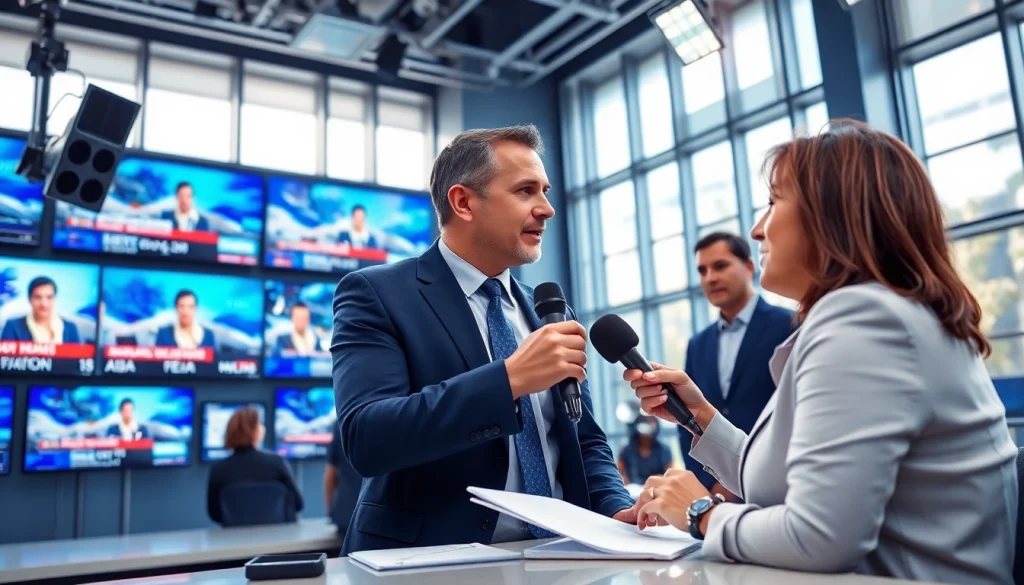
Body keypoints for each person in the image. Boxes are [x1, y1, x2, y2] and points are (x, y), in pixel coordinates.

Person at [626, 120, 1017, 584]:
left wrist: (699, 513)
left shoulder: (864, 321)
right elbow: (789, 480)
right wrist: (701, 418)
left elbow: (819, 536)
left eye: (772, 202)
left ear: (830, 214)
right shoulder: (887, 313)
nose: (757, 229)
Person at [332, 125, 635, 555]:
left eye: (545, 191)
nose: (547, 208)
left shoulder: (550, 312)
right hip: (428, 565)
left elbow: (583, 439)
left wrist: (617, 508)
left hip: (559, 560)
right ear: (463, 202)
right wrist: (508, 379)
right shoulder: (376, 294)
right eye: (526, 191)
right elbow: (368, 438)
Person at [681, 232, 793, 500]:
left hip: (777, 485)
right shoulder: (698, 344)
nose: (710, 277)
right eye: (702, 270)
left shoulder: (790, 325)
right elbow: (685, 418)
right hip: (710, 493)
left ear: (750, 266)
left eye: (720, 266)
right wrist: (707, 485)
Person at [206, 407, 303, 525]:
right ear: (255, 431)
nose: (263, 428)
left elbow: (214, 514)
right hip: (278, 539)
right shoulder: (276, 462)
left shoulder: (218, 470)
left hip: (235, 540)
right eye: (260, 424)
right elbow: (298, 504)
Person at [0, 276, 81, 343]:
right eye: (38, 297)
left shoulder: (70, 328)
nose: (44, 304)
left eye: (49, 297)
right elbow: (6, 361)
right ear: (29, 299)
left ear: (54, 299)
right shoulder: (13, 327)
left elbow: (78, 360)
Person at [323, 423, 362, 538]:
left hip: (347, 515)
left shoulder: (344, 420)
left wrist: (332, 513)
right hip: (384, 518)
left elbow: (330, 474)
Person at [617, 414, 672, 486]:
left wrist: (660, 479)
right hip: (632, 491)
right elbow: (617, 475)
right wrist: (624, 481)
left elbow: (671, 476)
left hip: (657, 489)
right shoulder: (626, 449)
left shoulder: (664, 449)